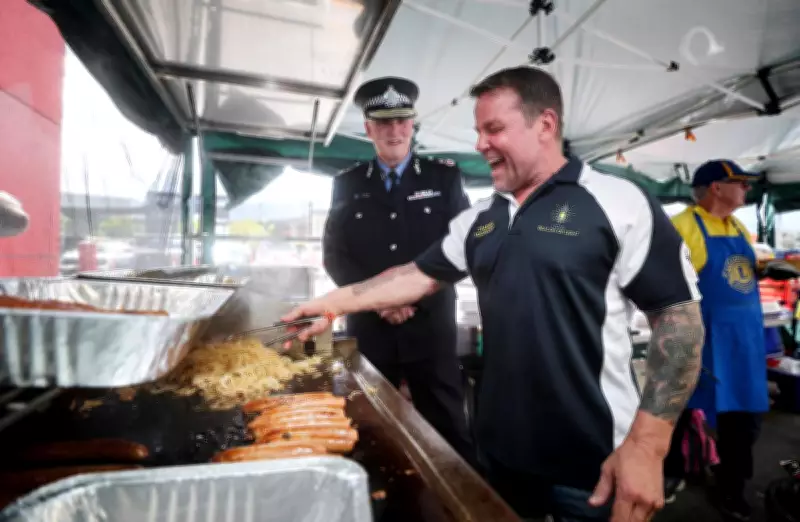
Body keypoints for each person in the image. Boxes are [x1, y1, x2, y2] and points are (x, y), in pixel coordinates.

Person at [288, 66, 705, 522]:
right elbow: (414, 274)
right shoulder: (482, 218)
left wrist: (647, 445)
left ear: (545, 124)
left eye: (494, 129)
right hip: (501, 458)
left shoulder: (618, 201)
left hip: (592, 463)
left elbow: (679, 320)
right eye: (478, 131)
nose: (480, 144)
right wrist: (330, 305)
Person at [322, 76, 474, 461]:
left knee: (448, 427)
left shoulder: (445, 178)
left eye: (402, 121)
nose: (394, 130)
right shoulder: (347, 183)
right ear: (369, 129)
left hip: (430, 326)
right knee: (369, 423)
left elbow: (462, 247)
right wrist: (379, 302)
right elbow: (335, 255)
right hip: (371, 329)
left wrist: (411, 297)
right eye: (384, 123)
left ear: (412, 125)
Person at [670, 160, 768, 521]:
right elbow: (667, 287)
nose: (747, 189)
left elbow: (743, 274)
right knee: (679, 410)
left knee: (744, 420)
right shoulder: (681, 227)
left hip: (745, 342)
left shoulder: (738, 226)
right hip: (703, 340)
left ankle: (732, 487)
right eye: (740, 183)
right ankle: (673, 473)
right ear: (716, 187)